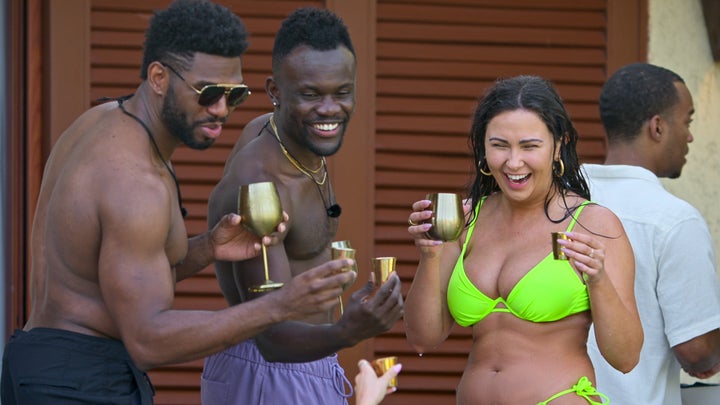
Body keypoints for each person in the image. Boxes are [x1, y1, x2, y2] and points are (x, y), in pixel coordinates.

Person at [0, 1, 357, 404]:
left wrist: (207, 247)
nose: (221, 110)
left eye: (233, 94)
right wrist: (278, 305)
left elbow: (112, 275)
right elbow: (148, 340)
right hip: (79, 383)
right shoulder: (136, 182)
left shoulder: (101, 120)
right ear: (158, 77)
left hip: (42, 360)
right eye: (208, 93)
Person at [203, 7, 404, 405]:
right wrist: (351, 330)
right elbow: (272, 335)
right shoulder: (261, 185)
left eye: (342, 92)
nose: (329, 109)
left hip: (304, 362)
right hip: (273, 371)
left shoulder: (285, 131)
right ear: (275, 92)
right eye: (311, 94)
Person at [404, 75, 644, 404]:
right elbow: (422, 339)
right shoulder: (467, 220)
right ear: (482, 146)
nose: (513, 162)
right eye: (499, 145)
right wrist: (430, 255)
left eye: (529, 146)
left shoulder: (592, 224)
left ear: (559, 145)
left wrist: (599, 279)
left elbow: (626, 358)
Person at [583, 63, 720, 404]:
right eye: (687, 121)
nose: (689, 136)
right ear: (657, 127)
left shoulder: (556, 199)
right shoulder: (673, 220)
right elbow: (697, 351)